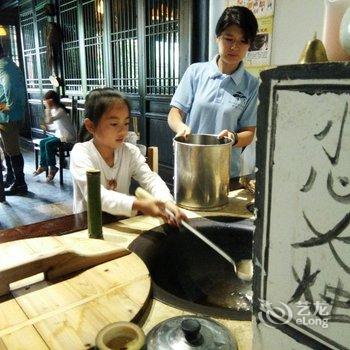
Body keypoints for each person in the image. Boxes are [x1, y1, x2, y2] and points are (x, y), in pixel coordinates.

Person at [70, 88, 186, 225]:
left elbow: (150, 179)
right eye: (114, 124)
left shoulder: (129, 152)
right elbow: (96, 196)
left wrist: (166, 202)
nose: (123, 130)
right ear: (90, 126)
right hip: (88, 224)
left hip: (121, 222)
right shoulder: (81, 152)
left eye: (126, 123)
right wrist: (139, 204)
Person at [168, 6, 259, 179]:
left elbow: (249, 132)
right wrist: (180, 127)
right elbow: (174, 113)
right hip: (189, 167)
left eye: (243, 41)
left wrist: (233, 137)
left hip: (224, 172)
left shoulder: (252, 85)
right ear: (217, 37)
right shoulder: (195, 72)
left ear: (249, 45)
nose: (234, 47)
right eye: (229, 38)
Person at [0, 43, 28, 195]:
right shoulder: (8, 64)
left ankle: (20, 184)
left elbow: (10, 90)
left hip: (8, 117)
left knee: (13, 150)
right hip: (8, 116)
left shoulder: (4, 67)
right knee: (7, 149)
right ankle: (11, 177)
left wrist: (5, 107)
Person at [33, 90, 76, 182]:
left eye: (46, 100)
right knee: (42, 142)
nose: (45, 102)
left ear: (51, 100)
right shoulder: (54, 110)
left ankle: (52, 168)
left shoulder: (60, 111)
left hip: (68, 138)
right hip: (59, 136)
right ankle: (43, 165)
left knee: (48, 144)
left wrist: (47, 109)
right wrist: (47, 128)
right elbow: (54, 126)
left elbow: (49, 120)